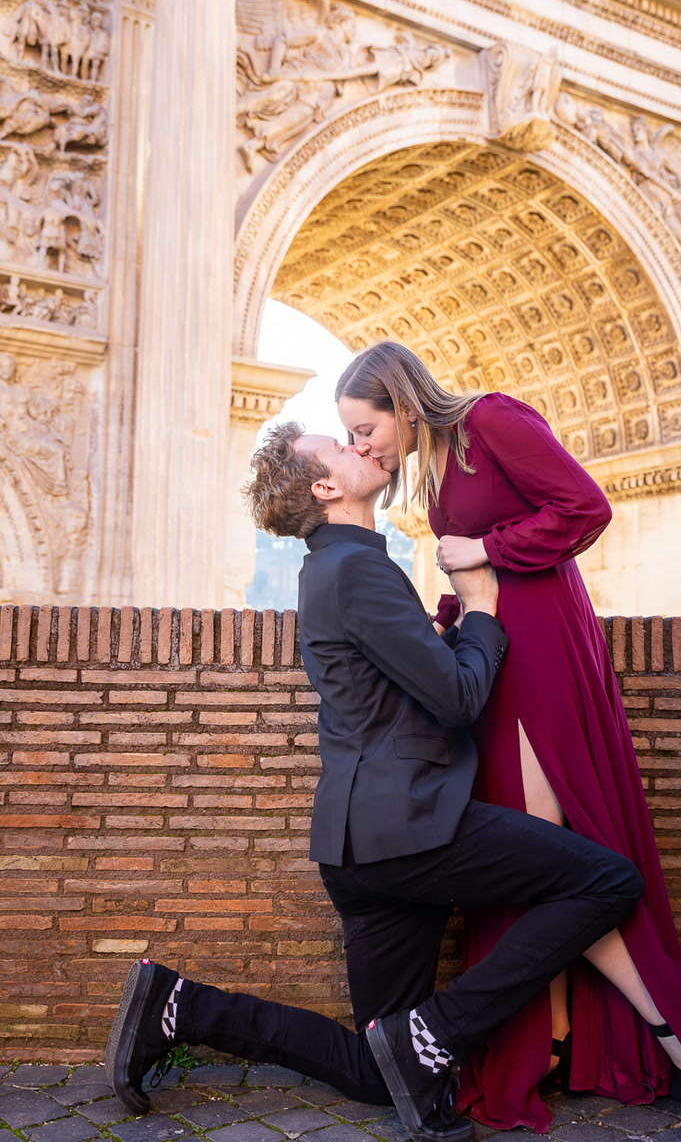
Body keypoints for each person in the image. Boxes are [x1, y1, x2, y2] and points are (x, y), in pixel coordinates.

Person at [106, 423, 643, 1142]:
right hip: (413, 827)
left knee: (375, 1066)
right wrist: (481, 610)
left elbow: (417, 679)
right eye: (344, 446)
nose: (364, 447)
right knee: (609, 882)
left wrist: (447, 634)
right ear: (326, 488)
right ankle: (437, 1031)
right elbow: (457, 698)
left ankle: (181, 1008)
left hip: (362, 852)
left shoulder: (335, 569)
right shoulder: (354, 571)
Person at [335, 341, 681, 1130]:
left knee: (550, 860)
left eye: (364, 430)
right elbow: (478, 581)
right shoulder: (435, 470)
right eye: (352, 440)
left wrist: (489, 550)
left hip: (544, 660)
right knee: (544, 872)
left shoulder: (491, 419)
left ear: (400, 402)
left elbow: (586, 508)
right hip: (502, 659)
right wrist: (453, 616)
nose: (362, 448)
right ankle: (558, 1042)